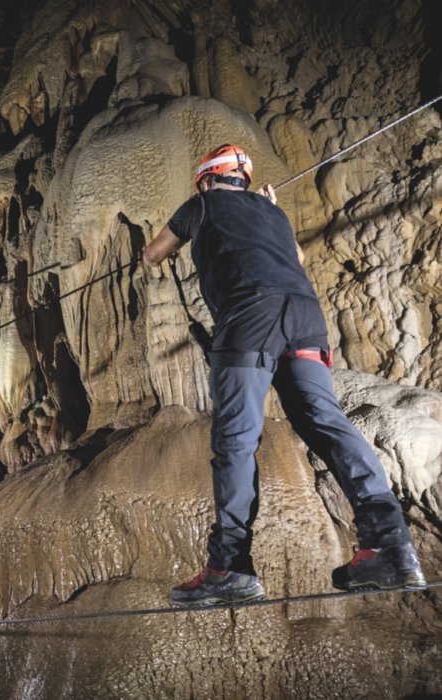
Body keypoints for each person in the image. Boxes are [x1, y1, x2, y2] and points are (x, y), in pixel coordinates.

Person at [142, 144, 426, 605]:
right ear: (246, 182)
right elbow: (294, 256)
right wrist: (269, 210)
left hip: (250, 319)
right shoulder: (272, 214)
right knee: (327, 423)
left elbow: (154, 254)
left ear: (206, 180)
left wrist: (159, 248)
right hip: (306, 319)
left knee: (236, 441)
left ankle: (230, 566)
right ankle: (389, 543)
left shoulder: (203, 204)